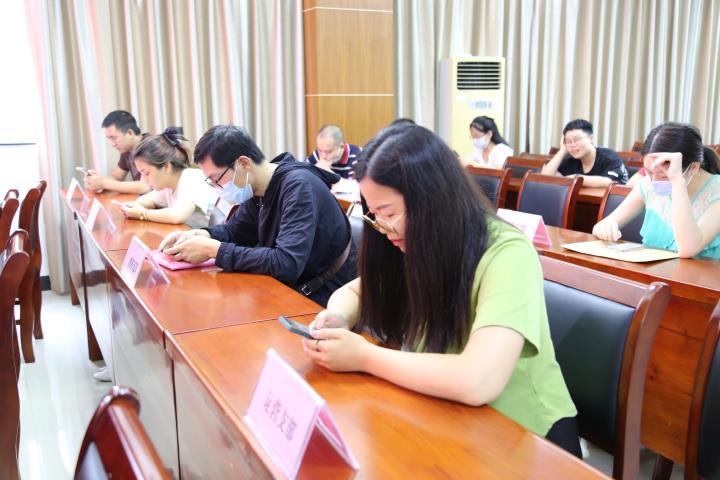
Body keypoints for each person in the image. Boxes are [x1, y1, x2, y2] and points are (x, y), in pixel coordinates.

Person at [301, 124, 581, 456]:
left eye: (389, 213)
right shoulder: (410, 241)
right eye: (374, 215)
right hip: (442, 413)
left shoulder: (508, 253)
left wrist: (363, 356)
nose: (383, 228)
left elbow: (478, 380)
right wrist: (337, 317)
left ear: (432, 199)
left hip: (521, 434)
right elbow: (356, 293)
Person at [158, 124, 356, 306]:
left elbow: (286, 263)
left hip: (325, 294)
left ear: (244, 163)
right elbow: (235, 231)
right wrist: (202, 235)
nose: (217, 187)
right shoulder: (258, 189)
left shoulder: (298, 186)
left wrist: (214, 250)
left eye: (217, 179)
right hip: (293, 285)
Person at [593, 122, 720, 259]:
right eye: (649, 172)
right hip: (652, 271)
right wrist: (604, 228)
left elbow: (687, 249)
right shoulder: (647, 185)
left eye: (663, 175)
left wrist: (677, 182)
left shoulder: (715, 190)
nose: (654, 182)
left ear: (693, 167)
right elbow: (603, 225)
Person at [117, 127, 217, 226]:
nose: (144, 180)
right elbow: (150, 200)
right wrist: (132, 206)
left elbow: (177, 216)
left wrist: (143, 213)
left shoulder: (192, 179)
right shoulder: (168, 185)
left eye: (146, 173)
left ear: (166, 167)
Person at [542, 119, 628, 187]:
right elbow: (544, 178)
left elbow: (609, 181)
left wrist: (576, 178)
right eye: (568, 141)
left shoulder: (609, 157)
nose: (572, 145)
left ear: (590, 138)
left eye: (577, 139)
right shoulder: (570, 159)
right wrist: (562, 151)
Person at [85, 110, 151, 194]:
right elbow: (116, 176)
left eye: (114, 138)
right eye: (110, 138)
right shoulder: (127, 150)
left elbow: (145, 187)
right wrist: (98, 182)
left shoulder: (151, 146)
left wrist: (104, 183)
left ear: (130, 133)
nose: (112, 144)